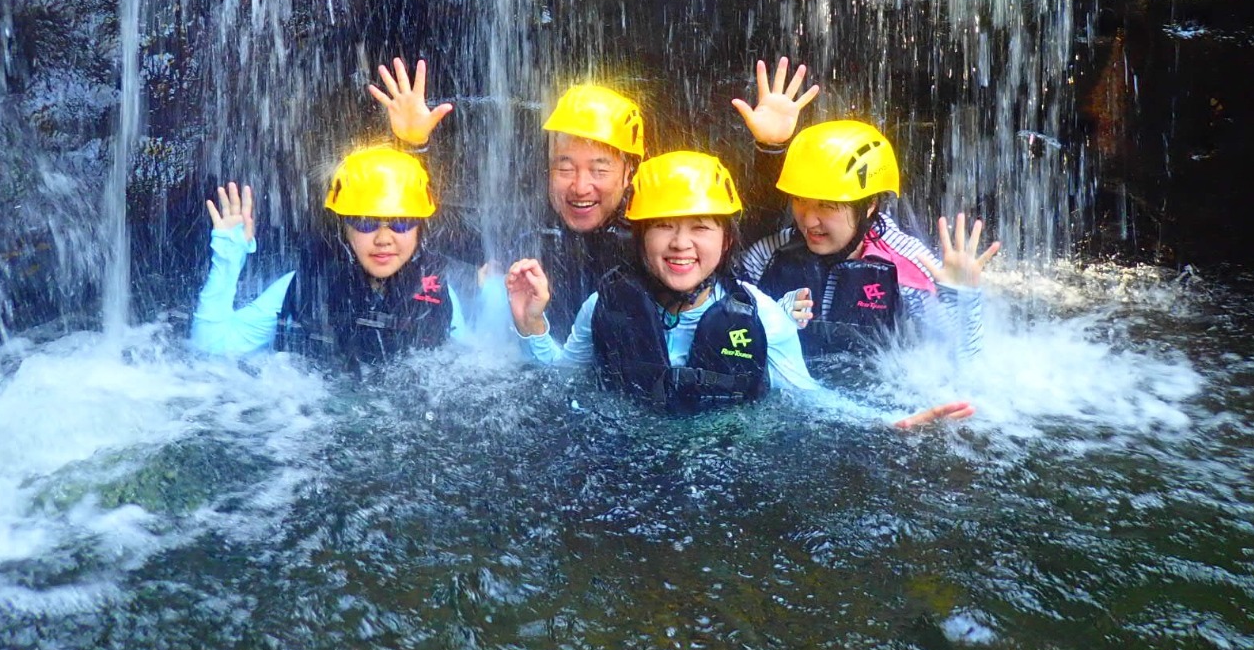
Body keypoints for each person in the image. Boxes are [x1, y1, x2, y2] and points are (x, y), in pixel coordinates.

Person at [504, 150, 973, 426]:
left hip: (726, 462)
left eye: (701, 228)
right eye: (663, 226)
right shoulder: (602, 305)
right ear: (640, 236)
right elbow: (564, 375)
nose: (681, 244)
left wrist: (889, 423)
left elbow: (808, 397)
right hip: (628, 461)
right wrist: (532, 326)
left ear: (726, 239)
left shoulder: (762, 315)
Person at [368, 59, 645, 335]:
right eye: (565, 167)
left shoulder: (649, 237)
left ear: (628, 171)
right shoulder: (527, 225)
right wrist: (414, 146)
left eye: (599, 169)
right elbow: (430, 229)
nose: (580, 187)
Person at [733, 118, 999, 361]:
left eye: (827, 205)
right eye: (800, 201)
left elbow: (966, 360)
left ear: (869, 205)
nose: (809, 221)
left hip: (874, 394)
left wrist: (962, 298)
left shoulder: (906, 263)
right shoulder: (768, 253)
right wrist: (772, 319)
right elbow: (723, 317)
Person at [190, 147, 476, 367]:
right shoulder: (304, 286)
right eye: (365, 221)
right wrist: (229, 257)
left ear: (419, 229)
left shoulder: (437, 294)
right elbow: (212, 348)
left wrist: (523, 331)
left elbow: (469, 369)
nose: (384, 238)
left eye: (401, 222)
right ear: (344, 228)